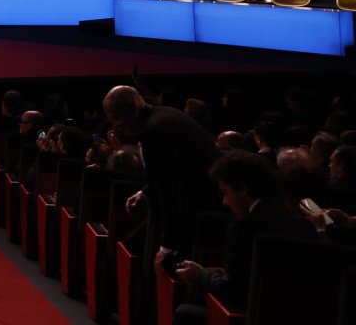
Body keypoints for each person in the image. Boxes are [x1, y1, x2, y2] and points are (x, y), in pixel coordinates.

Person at [171, 151, 318, 324]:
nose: (225, 201)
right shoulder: (304, 224)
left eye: (225, 192)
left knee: (184, 313)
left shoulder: (244, 226)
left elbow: (233, 292)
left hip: (251, 317)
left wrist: (202, 275)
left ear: (243, 188)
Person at [103, 86, 222, 258]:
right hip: (206, 203)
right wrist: (144, 194)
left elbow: (170, 191)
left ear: (132, 108)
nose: (116, 126)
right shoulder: (164, 115)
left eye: (116, 118)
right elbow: (173, 173)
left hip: (202, 213)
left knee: (133, 248)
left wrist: (168, 245)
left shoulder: (154, 131)